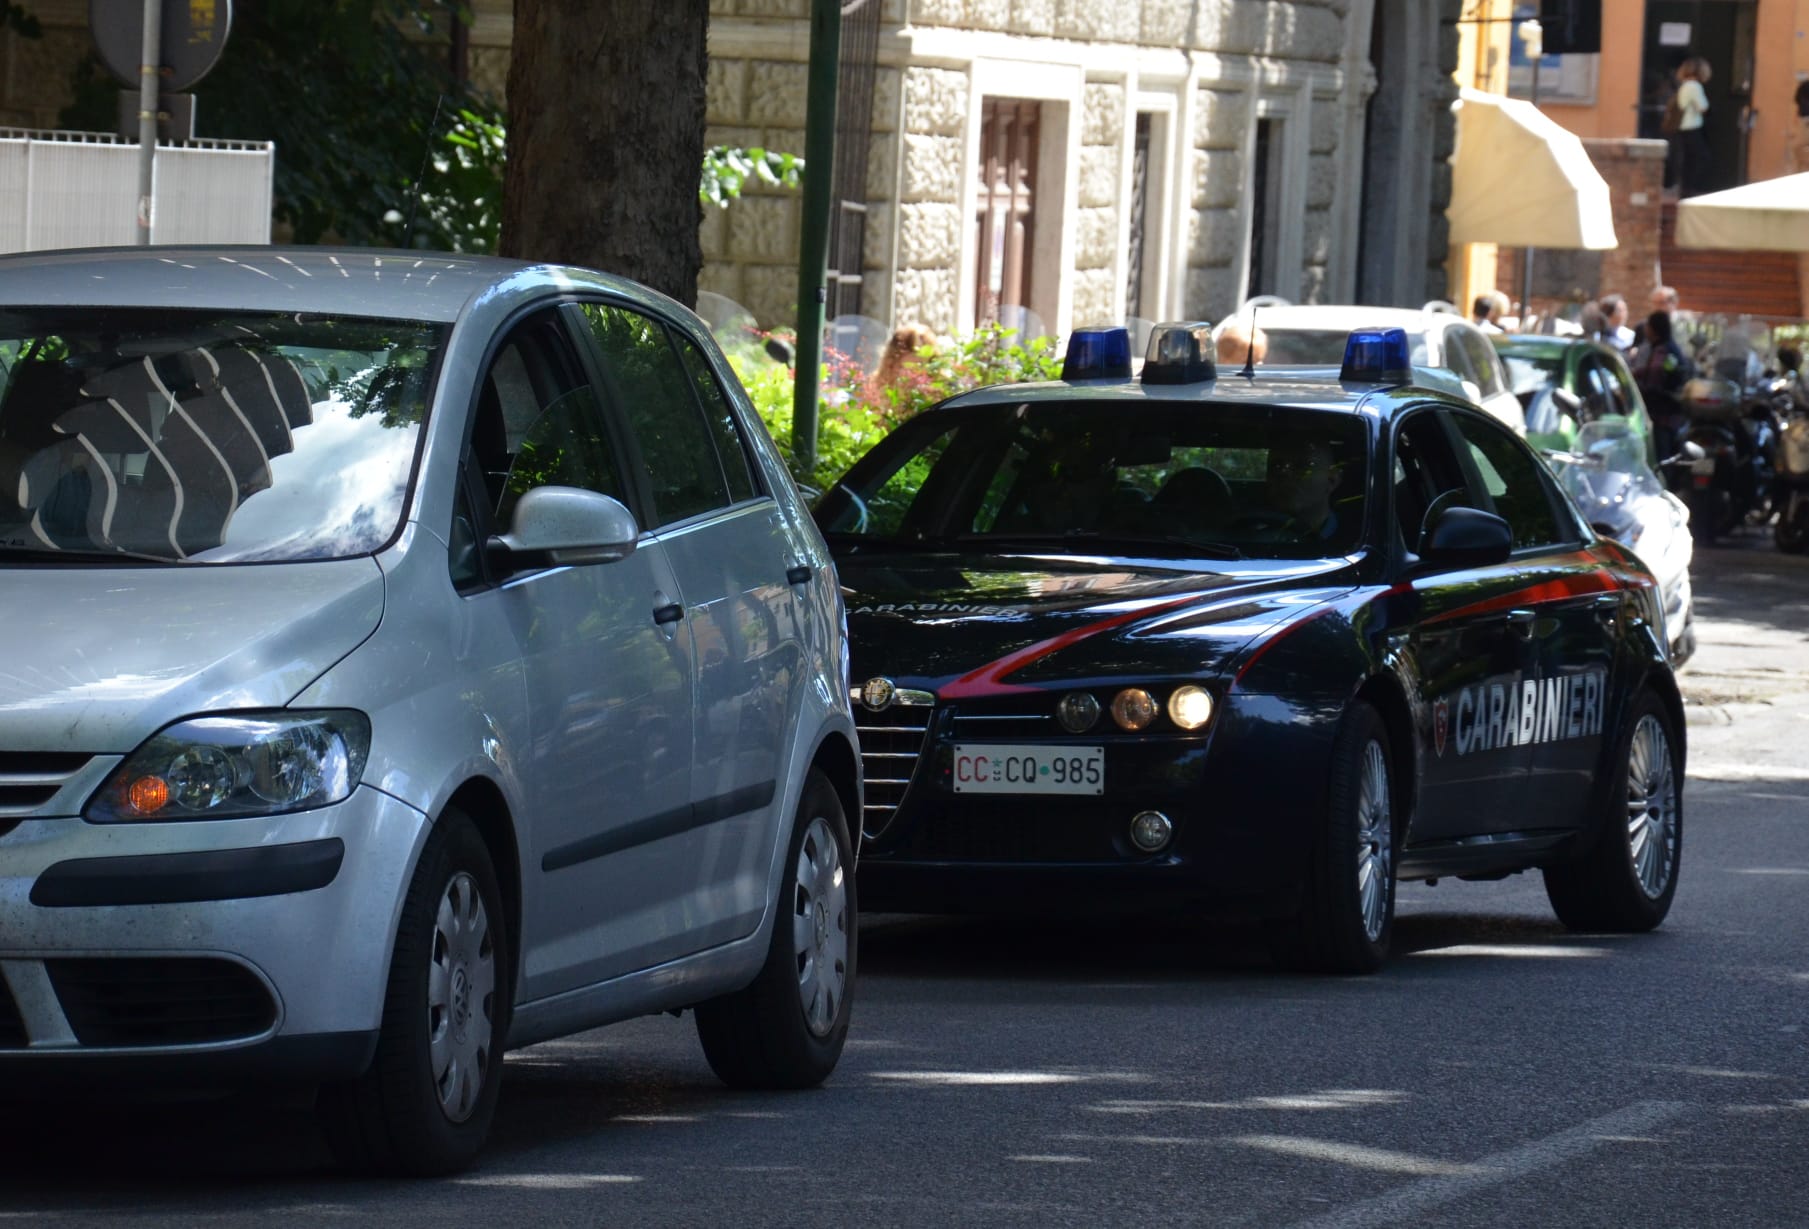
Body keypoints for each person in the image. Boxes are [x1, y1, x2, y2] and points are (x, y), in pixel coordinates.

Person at [1632, 311, 1693, 459]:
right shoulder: (1666, 348)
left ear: (1653, 329)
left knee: (1660, 459)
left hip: (1661, 416)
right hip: (1667, 414)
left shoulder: (1663, 350)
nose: (1645, 329)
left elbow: (1655, 377)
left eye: (1648, 326)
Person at [1259, 437, 1344, 540]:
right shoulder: (1244, 532)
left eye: (1302, 466)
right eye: (1276, 466)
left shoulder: (1353, 541)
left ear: (1332, 480)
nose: (1284, 473)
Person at [1666, 58, 1713, 197]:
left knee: (1688, 160)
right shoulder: (1694, 86)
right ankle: (1689, 189)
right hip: (1691, 128)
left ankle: (1685, 188)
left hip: (1682, 129)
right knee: (1701, 158)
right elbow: (1703, 107)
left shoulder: (1685, 85)